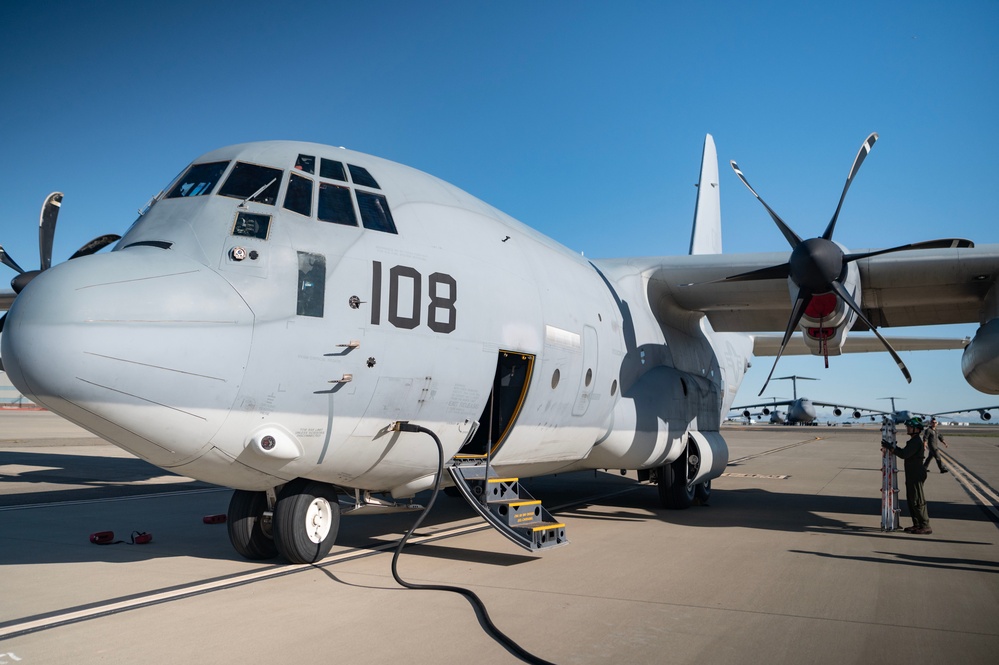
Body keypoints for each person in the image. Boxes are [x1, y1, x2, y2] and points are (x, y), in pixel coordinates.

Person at [884, 417, 931, 534]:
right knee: (911, 500)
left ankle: (925, 525)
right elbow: (905, 453)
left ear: (916, 429)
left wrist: (892, 448)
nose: (908, 428)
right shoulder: (913, 441)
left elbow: (904, 454)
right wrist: (893, 448)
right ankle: (917, 524)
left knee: (917, 500)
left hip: (916, 473)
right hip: (912, 473)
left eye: (910, 427)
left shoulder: (916, 442)